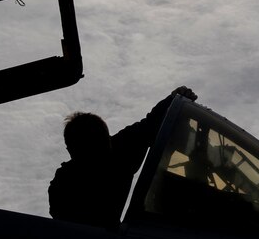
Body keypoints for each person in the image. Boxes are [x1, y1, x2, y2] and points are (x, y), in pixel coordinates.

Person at [48, 85, 197, 226]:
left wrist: (172, 99)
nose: (98, 158)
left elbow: (150, 124)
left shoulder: (119, 148)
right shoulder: (64, 183)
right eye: (91, 148)